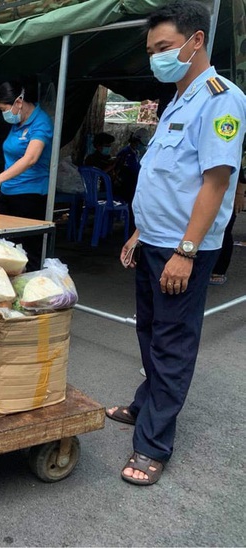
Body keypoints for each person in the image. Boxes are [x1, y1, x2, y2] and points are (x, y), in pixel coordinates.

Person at [108, 0, 246, 486]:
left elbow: (215, 181)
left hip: (184, 248)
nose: (156, 58)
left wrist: (186, 252)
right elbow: (166, 178)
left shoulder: (220, 98)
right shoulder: (178, 99)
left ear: (196, 41)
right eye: (151, 50)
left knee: (172, 341)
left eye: (164, 47)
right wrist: (141, 231)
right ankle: (147, 403)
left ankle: (153, 444)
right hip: (155, 241)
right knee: (149, 329)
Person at [0, 81, 54, 269]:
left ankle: (31, 288)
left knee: (29, 247)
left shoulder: (41, 123)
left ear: (19, 102)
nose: (4, 114)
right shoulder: (18, 121)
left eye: (4, 108)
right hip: (9, 191)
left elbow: (30, 158)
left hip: (31, 194)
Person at [209, 166, 246, 284]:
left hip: (227, 198)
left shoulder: (230, 150)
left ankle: (219, 271)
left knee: (224, 230)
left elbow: (241, 176)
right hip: (208, 196)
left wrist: (240, 195)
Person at [113, 127, 149, 235]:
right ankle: (132, 227)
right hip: (123, 187)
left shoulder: (135, 154)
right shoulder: (126, 154)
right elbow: (133, 171)